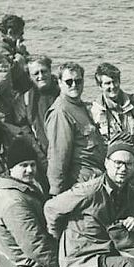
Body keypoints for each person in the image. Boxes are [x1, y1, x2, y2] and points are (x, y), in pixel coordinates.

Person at [44, 138, 134, 267]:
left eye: (128, 164)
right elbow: (51, 208)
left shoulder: (132, 194)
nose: (123, 169)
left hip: (111, 251)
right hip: (84, 258)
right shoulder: (88, 191)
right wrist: (59, 238)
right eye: (118, 163)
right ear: (106, 163)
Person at [0, 137, 60, 267]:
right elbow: (36, 247)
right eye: (24, 165)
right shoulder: (13, 202)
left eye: (32, 165)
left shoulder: (25, 186)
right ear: (11, 168)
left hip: (41, 257)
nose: (30, 170)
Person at [90, 63, 134, 189]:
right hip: (114, 175)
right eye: (107, 83)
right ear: (100, 86)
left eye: (115, 82)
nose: (113, 86)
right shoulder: (94, 112)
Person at [45, 62, 107, 196]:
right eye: (69, 82)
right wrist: (57, 194)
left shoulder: (81, 106)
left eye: (78, 81)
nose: (74, 85)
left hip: (97, 179)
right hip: (81, 184)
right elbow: (58, 156)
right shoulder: (61, 112)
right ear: (60, 83)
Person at [20, 55, 60, 153]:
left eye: (44, 71)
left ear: (50, 71)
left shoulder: (63, 93)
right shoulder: (26, 100)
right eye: (36, 73)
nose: (41, 76)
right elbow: (25, 131)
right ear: (30, 76)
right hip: (42, 153)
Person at [0, 14, 31, 96]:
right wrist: (20, 54)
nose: (22, 38)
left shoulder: (10, 46)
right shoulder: (0, 49)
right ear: (10, 32)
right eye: (20, 34)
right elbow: (13, 72)